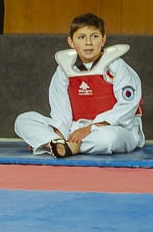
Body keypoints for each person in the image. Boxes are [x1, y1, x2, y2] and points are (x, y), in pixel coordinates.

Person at [13, 12, 145, 158]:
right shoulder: (63, 70)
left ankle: (52, 145)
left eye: (94, 36)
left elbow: (127, 107)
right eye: (81, 37)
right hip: (74, 130)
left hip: (114, 130)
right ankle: (58, 144)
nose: (88, 42)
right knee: (23, 120)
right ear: (71, 42)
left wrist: (90, 128)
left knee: (108, 140)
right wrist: (60, 133)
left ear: (103, 39)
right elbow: (61, 111)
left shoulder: (117, 67)